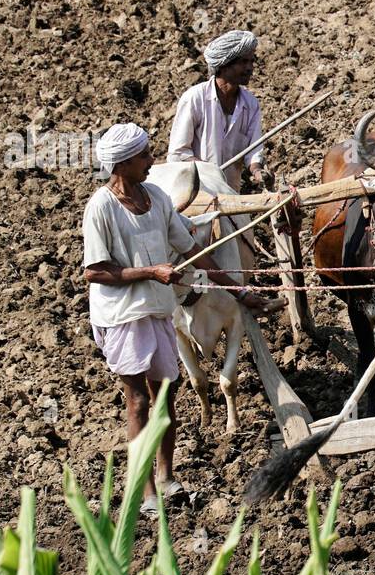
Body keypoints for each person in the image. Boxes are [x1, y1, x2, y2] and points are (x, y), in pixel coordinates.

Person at [83, 122, 266, 512]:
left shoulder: (156, 198)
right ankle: (145, 492)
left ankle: (167, 478)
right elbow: (94, 271)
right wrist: (152, 272)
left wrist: (239, 291)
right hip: (121, 316)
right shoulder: (100, 207)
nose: (152, 161)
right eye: (145, 156)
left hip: (158, 309)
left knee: (166, 395)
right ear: (123, 163)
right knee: (137, 403)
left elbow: (194, 250)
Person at [168, 29, 266, 192]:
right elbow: (178, 153)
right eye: (243, 62)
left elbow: (253, 149)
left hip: (231, 192)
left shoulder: (251, 104)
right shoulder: (195, 99)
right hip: (197, 193)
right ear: (224, 65)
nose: (250, 68)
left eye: (251, 61)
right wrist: (209, 172)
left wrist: (257, 171)